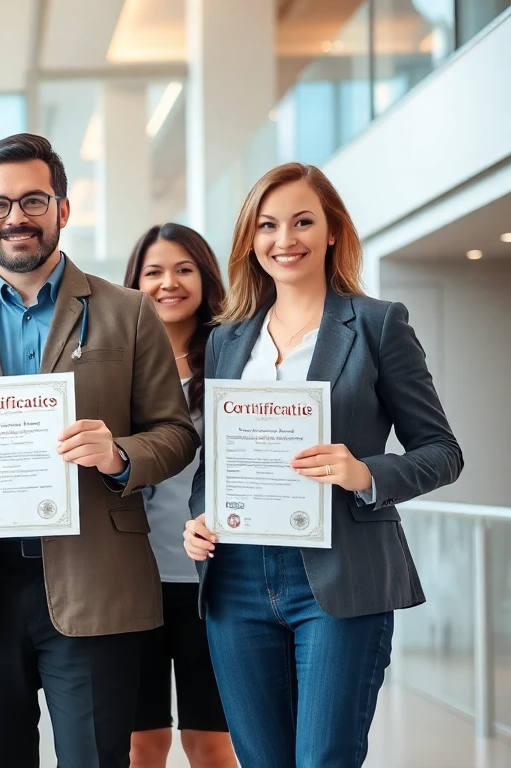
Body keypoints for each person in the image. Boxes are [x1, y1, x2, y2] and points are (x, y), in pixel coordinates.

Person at [0, 133, 199, 768]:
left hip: (95, 583)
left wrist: (118, 454)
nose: (16, 218)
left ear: (63, 208)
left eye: (33, 200)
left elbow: (175, 434)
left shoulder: (129, 313)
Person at [182, 162, 463, 767]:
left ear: (332, 230)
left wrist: (365, 473)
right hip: (236, 578)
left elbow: (443, 452)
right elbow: (216, 462)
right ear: (250, 240)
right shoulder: (229, 339)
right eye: (268, 226)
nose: (285, 241)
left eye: (303, 222)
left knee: (323, 760)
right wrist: (199, 516)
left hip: (340, 576)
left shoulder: (378, 324)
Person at [121, 224, 236, 768]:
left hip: (211, 579)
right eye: (154, 272)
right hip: (130, 582)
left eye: (184, 269)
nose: (169, 283)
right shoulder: (114, 365)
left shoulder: (236, 358)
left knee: (210, 741)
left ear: (205, 278)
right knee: (141, 742)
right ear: (134, 284)